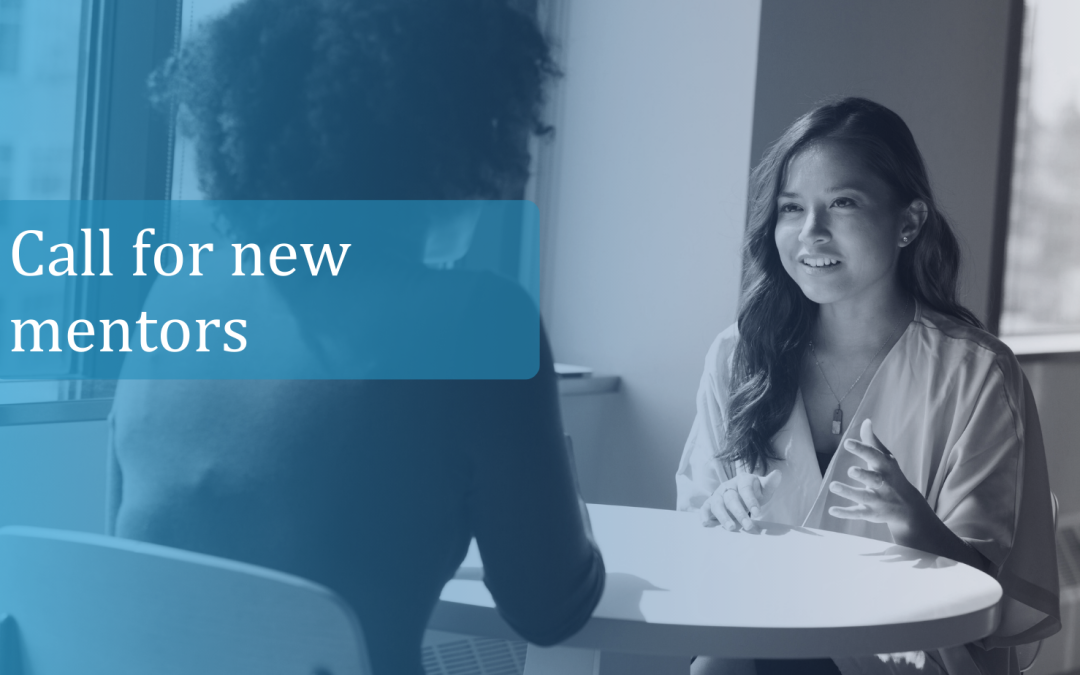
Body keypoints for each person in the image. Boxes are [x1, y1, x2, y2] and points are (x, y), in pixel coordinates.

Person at [106, 2, 605, 675]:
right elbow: (549, 608)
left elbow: (133, 559)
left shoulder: (173, 299)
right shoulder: (480, 321)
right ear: (456, 127)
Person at [677, 97, 1059, 675]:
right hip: (760, 640)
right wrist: (718, 514)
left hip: (907, 654)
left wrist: (914, 521)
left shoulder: (976, 373)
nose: (812, 233)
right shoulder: (737, 355)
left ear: (909, 222)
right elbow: (692, 544)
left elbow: (984, 599)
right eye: (791, 208)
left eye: (843, 203)